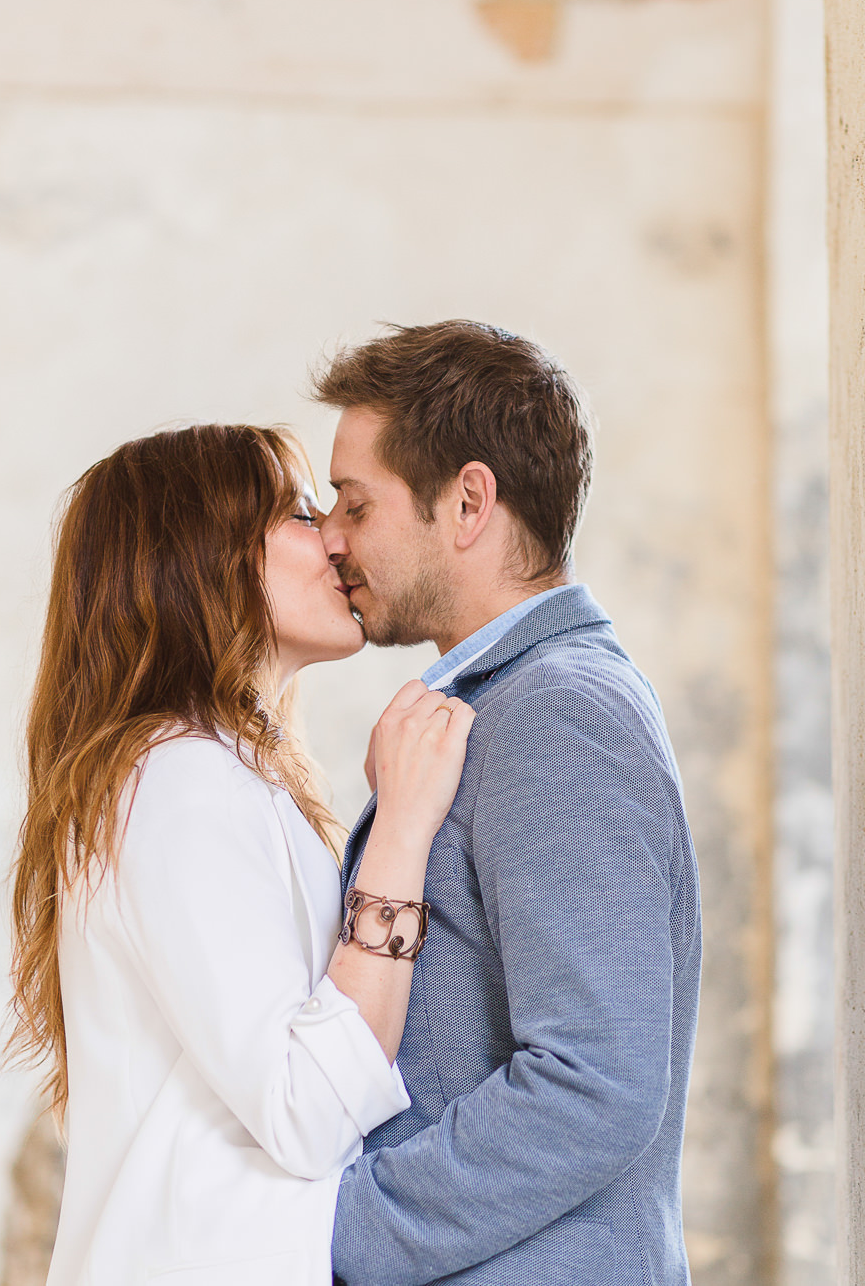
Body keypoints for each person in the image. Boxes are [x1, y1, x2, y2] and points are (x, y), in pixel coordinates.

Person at [10, 423, 476, 1285]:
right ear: (202, 559)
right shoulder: (178, 778)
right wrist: (404, 830)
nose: (337, 536)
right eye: (299, 514)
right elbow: (307, 1108)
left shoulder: (215, 775)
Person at [316, 322, 700, 1285]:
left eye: (356, 506)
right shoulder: (512, 699)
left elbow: (595, 1082)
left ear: (468, 501)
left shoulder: (557, 710)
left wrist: (336, 1229)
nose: (331, 538)